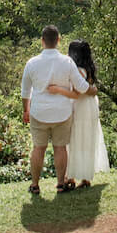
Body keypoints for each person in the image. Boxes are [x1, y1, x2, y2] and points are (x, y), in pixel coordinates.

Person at [20, 24, 89, 194]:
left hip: (39, 112)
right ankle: (60, 183)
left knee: (38, 148)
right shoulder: (67, 62)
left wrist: (26, 110)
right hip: (62, 112)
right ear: (58, 40)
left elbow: (25, 90)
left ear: (42, 41)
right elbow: (82, 87)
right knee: (60, 148)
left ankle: (35, 185)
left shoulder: (32, 63)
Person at [47, 39, 108, 186]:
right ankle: (83, 176)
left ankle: (73, 177)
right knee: (85, 139)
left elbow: (77, 92)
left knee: (75, 139)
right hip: (89, 105)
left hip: (80, 106)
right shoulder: (89, 68)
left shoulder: (79, 70)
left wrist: (57, 90)